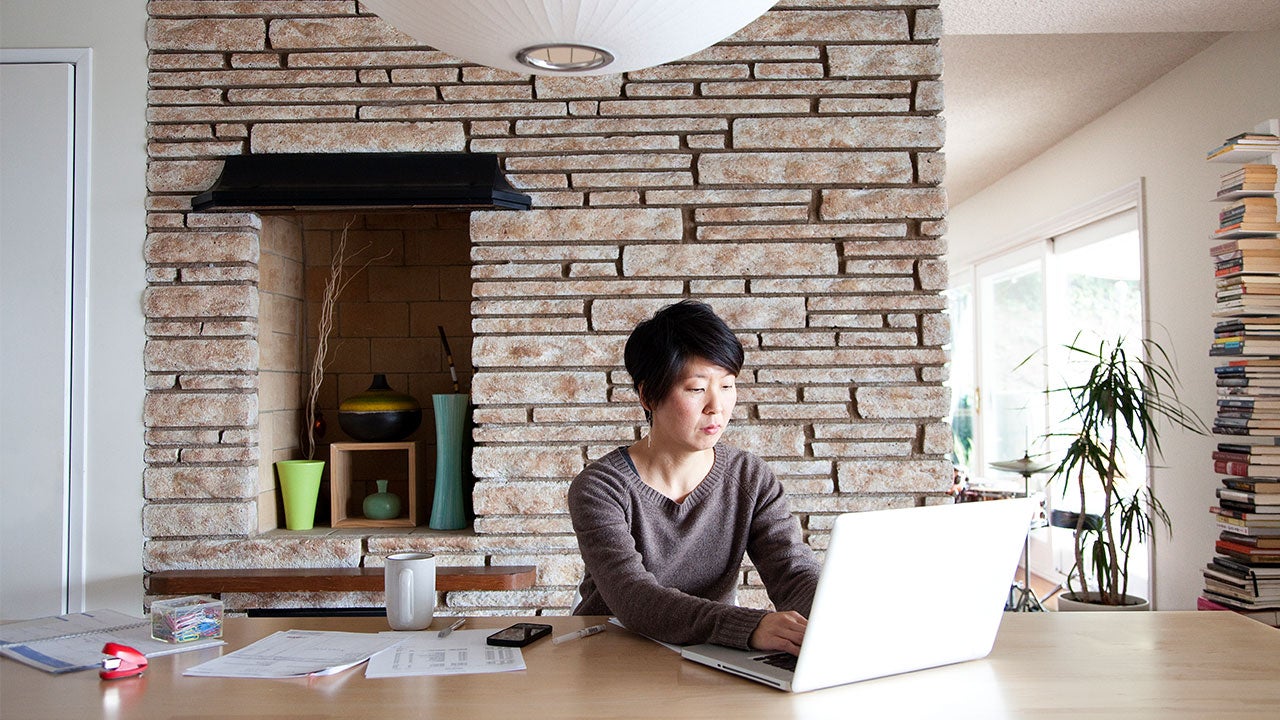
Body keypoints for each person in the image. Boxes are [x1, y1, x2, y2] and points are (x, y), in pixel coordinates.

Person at [568, 300, 821, 655]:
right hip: (616, 654)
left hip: (710, 654)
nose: (716, 406)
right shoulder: (600, 488)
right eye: (696, 388)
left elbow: (792, 571)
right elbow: (632, 596)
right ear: (648, 395)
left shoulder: (750, 478)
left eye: (728, 386)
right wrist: (748, 626)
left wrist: (830, 618)